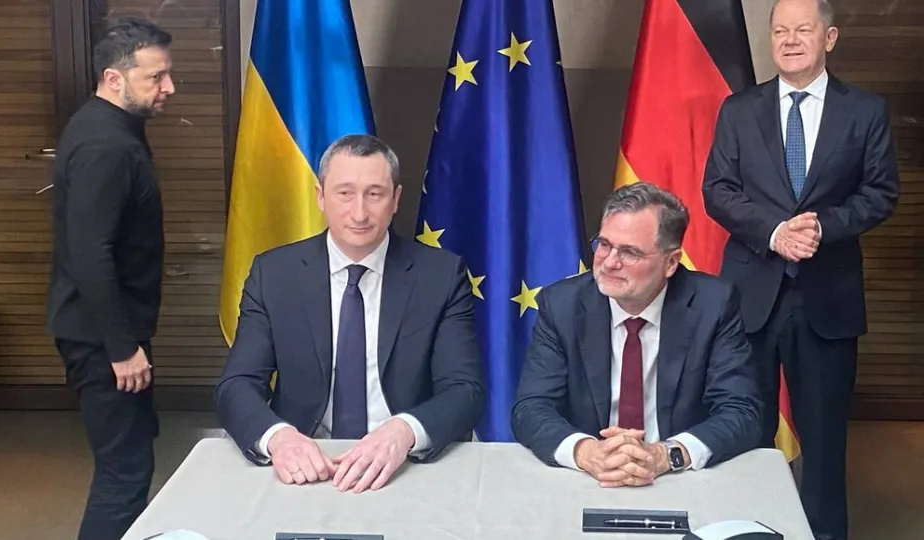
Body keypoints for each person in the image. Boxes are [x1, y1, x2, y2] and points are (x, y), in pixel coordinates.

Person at [702, 1, 899, 538]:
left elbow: (881, 193)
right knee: (743, 434)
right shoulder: (738, 110)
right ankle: (748, 531)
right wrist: (774, 232)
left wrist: (820, 227)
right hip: (750, 300)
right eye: (780, 31)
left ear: (829, 38)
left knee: (825, 443)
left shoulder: (865, 111)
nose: (789, 41)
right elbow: (717, 190)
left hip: (827, 301)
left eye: (803, 30)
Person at [215, 134, 485, 494]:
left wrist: (403, 431)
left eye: (374, 194)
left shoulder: (441, 275)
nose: (359, 213)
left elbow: (465, 390)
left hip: (403, 463)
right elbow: (237, 385)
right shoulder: (274, 274)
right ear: (320, 196)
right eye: (344, 193)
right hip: (307, 463)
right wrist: (279, 438)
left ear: (396, 199)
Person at [512, 182, 761, 487]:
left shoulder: (713, 304)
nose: (609, 262)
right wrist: (587, 452)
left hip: (679, 479)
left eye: (629, 252)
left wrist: (667, 455)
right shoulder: (562, 305)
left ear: (671, 262)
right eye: (604, 244)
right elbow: (531, 408)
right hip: (588, 479)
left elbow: (742, 411)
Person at [45, 17, 175, 540]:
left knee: (129, 460)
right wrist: (122, 348)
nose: (169, 87)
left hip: (102, 330)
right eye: (156, 77)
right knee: (124, 474)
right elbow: (88, 253)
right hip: (102, 339)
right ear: (114, 79)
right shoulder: (106, 146)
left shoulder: (111, 128)